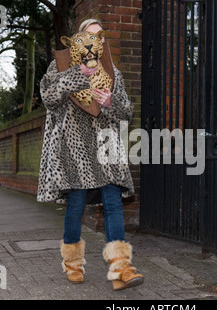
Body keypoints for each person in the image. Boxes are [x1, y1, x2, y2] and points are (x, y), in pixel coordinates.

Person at [37, 19, 143, 291]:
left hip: (106, 147)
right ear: (79, 38)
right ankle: (73, 264)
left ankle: (121, 269)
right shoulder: (60, 65)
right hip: (75, 149)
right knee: (75, 207)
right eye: (90, 36)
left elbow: (127, 113)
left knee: (113, 203)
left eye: (101, 37)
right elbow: (48, 96)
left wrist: (110, 103)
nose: (96, 42)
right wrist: (77, 75)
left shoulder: (112, 72)